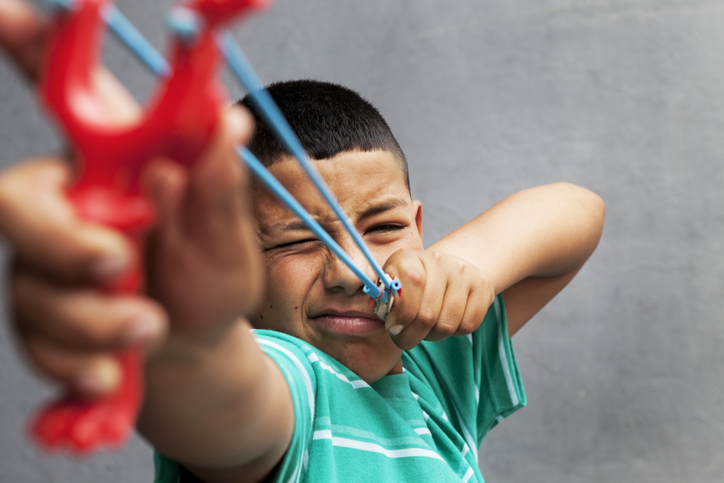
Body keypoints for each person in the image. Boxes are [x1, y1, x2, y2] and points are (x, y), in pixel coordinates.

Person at [0, 1, 605, 482]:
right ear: (235, 263)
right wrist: (181, 332)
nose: (350, 271)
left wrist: (454, 266)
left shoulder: (427, 359)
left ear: (418, 227)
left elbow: (577, 212)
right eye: (296, 240)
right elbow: (216, 396)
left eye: (384, 228)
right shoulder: (291, 380)